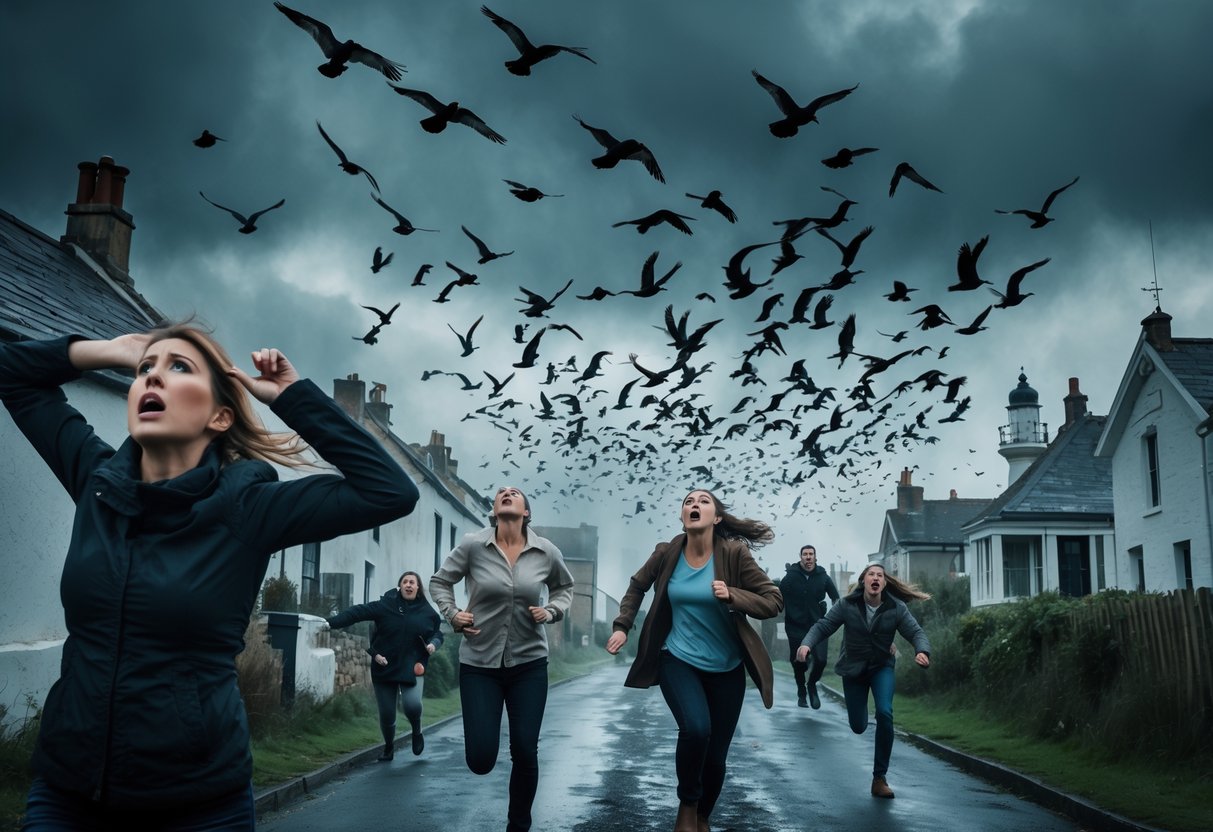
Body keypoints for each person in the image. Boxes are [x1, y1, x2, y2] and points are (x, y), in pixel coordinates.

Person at [0, 325, 418, 831]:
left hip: (198, 805)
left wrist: (292, 397)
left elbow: (389, 491)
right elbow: (12, 373)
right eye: (145, 370)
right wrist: (110, 351)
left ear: (220, 416)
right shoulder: (98, 484)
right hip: (69, 793)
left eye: (179, 367)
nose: (153, 375)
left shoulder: (250, 509)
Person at [606, 489, 784, 832]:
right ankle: (687, 806)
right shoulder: (667, 552)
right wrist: (622, 625)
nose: (694, 505)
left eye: (703, 501)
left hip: (727, 668)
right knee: (696, 729)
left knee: (716, 756)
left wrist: (733, 594)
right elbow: (636, 586)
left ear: (716, 517)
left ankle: (703, 816)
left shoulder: (734, 553)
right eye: (688, 501)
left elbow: (773, 600)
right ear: (682, 515)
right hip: (678, 658)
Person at [429, 486, 574, 832]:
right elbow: (439, 582)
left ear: (526, 512)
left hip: (529, 664)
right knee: (480, 759)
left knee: (525, 748)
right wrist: (452, 614)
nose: (507, 493)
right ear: (494, 509)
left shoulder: (545, 551)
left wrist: (552, 610)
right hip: (479, 665)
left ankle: (518, 823)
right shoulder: (472, 545)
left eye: (515, 493)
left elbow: (565, 588)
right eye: (501, 493)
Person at [796, 562, 930, 799]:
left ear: (884, 583)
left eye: (880, 575)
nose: (876, 578)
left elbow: (915, 631)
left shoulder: (896, 607)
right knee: (858, 726)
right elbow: (824, 625)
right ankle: (865, 733)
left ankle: (879, 778)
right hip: (854, 670)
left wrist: (922, 650)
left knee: (885, 713)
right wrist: (807, 643)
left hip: (881, 668)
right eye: (871, 574)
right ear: (864, 581)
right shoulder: (846, 605)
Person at [327, 571, 443, 760]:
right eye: (405, 581)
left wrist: (433, 645)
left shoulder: (427, 612)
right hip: (384, 666)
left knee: (412, 705)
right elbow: (358, 612)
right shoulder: (385, 606)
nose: (408, 585)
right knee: (387, 714)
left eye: (412, 582)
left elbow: (438, 633)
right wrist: (330, 622)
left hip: (412, 667)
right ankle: (389, 747)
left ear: (418, 588)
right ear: (400, 586)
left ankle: (416, 730)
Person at [779, 544, 839, 708]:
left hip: (817, 625)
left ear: (815, 557)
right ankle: (801, 692)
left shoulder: (823, 576)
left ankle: (812, 684)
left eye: (811, 554)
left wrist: (834, 617)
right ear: (801, 557)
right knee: (798, 660)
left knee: (821, 660)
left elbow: (836, 598)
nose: (808, 557)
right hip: (795, 625)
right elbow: (778, 594)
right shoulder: (791, 576)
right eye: (805, 554)